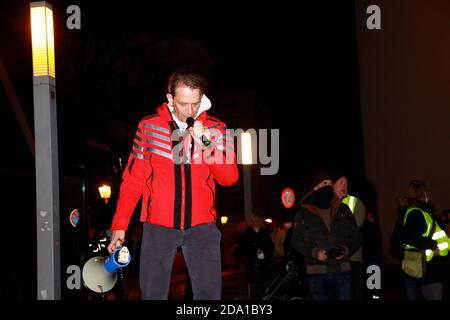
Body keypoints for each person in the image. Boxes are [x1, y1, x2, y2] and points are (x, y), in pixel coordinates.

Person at [107, 70, 239, 300]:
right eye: (183, 103)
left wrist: (206, 144)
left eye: (195, 104)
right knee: (152, 295)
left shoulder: (216, 128)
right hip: (158, 227)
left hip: (203, 228)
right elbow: (133, 179)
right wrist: (120, 224)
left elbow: (229, 177)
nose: (190, 111)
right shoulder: (149, 127)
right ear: (170, 99)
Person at [291, 171, 361, 300]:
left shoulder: (343, 209)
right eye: (325, 183)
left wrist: (345, 249)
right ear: (316, 187)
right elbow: (296, 240)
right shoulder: (304, 212)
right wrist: (314, 252)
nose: (328, 186)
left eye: (330, 183)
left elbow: (356, 236)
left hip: (342, 270)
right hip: (317, 273)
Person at [393, 179, 450, 300]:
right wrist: (433, 246)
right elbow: (411, 237)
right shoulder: (417, 213)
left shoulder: (411, 213)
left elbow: (396, 240)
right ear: (424, 194)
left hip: (414, 269)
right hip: (427, 271)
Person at [333, 173, 366, 300]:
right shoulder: (326, 205)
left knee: (353, 293)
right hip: (332, 260)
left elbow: (355, 225)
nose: (344, 186)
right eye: (341, 182)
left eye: (346, 183)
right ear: (333, 185)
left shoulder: (355, 203)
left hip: (352, 258)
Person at [237, 213, 275, 299]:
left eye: (257, 220)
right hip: (252, 265)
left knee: (263, 287)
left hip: (263, 265)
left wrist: (265, 253)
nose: (255, 222)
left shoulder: (264, 233)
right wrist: (254, 251)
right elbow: (243, 248)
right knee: (254, 289)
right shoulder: (247, 233)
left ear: (260, 221)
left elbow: (270, 247)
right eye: (253, 220)